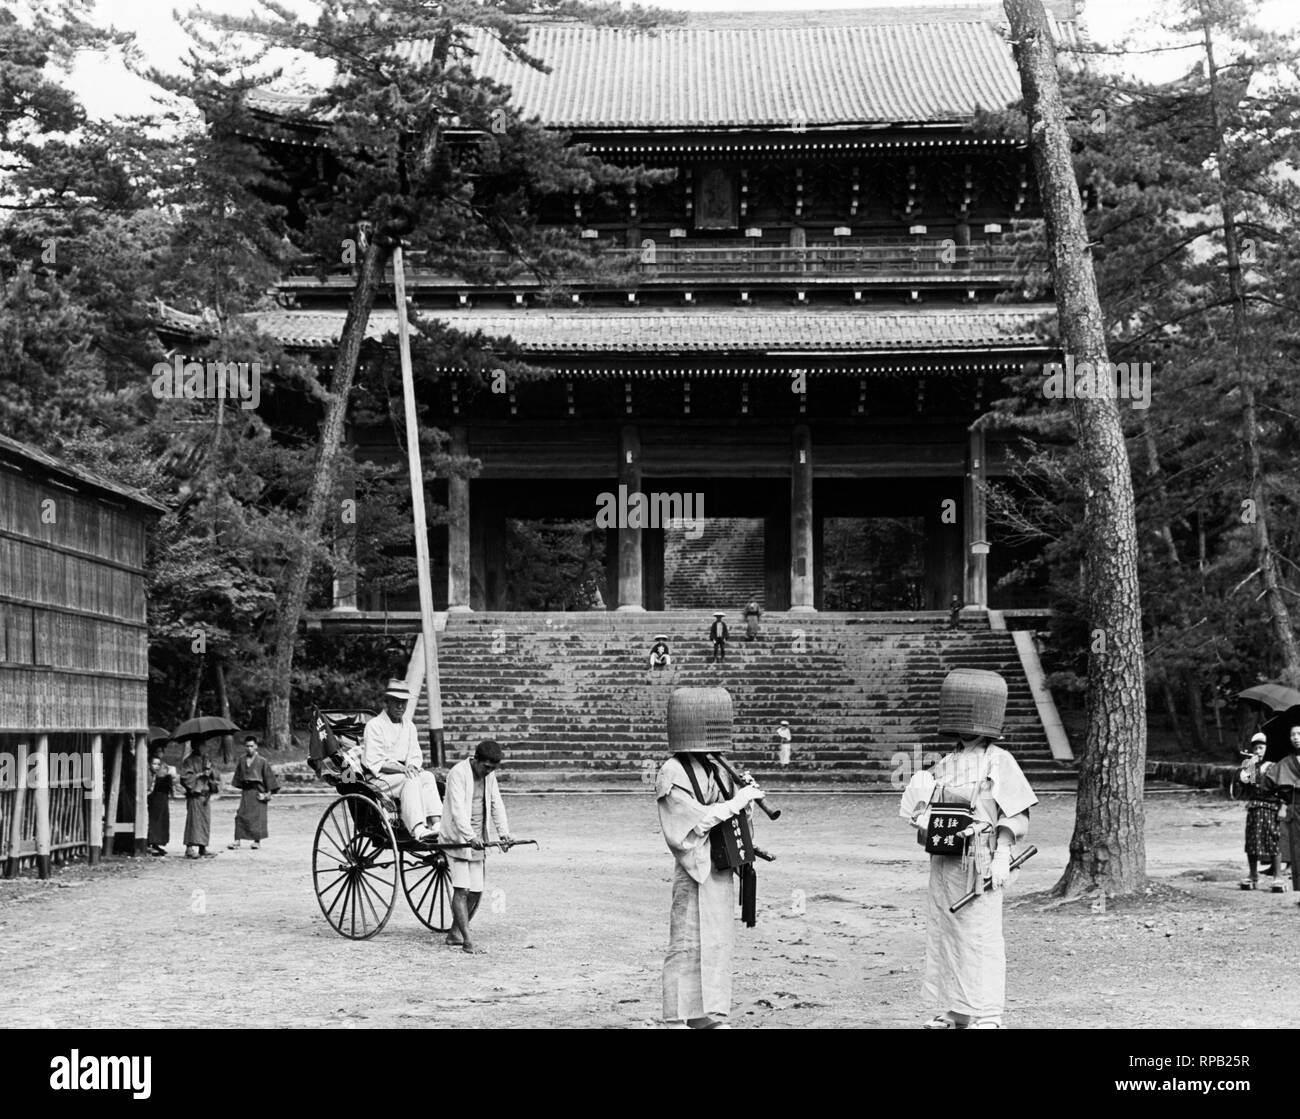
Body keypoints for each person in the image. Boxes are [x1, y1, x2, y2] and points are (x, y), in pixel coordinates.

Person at [899, 668, 1037, 1029]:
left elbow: (1016, 812)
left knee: (980, 935)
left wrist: (1004, 854)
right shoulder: (946, 763)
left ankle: (988, 1012)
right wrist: (921, 820)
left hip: (982, 857)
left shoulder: (999, 760)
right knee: (946, 930)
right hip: (946, 861)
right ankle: (954, 1009)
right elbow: (927, 808)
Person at [656, 686, 765, 1029]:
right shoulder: (671, 771)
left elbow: (733, 819)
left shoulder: (715, 768)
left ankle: (706, 1014)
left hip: (719, 868)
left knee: (716, 942)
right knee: (686, 944)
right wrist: (735, 802)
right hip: (694, 870)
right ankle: (676, 1018)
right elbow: (691, 825)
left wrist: (745, 798)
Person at [439, 739, 513, 953]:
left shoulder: (489, 777)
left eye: (493, 768)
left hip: (478, 839)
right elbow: (457, 811)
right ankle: (468, 939)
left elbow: (496, 803)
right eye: (486, 767)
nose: (489, 772)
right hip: (457, 838)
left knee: (477, 891)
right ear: (476, 759)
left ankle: (455, 933)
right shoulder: (458, 773)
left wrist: (504, 833)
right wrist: (469, 835)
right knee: (461, 889)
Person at [362, 679, 443, 843]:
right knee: (410, 779)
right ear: (387, 702)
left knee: (426, 776)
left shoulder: (409, 726)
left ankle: (436, 823)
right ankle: (418, 828)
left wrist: (412, 766)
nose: (400, 706)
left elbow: (415, 754)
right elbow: (374, 761)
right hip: (380, 779)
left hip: (402, 774)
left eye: (403, 702)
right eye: (396, 702)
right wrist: (401, 769)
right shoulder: (374, 725)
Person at [1238, 732, 1281, 890]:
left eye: (1261, 748)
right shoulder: (1251, 765)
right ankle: (1253, 874)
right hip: (1255, 807)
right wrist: (1248, 767)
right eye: (1255, 748)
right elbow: (1246, 783)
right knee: (1252, 841)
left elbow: (1277, 787)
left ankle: (1277, 876)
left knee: (1273, 840)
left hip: (1271, 807)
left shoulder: (1274, 766)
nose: (1258, 751)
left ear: (1267, 749)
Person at [1265, 722, 1300, 903]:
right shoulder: (1285, 762)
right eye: (1293, 734)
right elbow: (1268, 785)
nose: (1296, 738)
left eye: (1299, 734)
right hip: (1294, 807)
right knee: (1297, 848)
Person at [228, 736, 279, 850]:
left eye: (251, 746)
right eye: (247, 746)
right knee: (240, 815)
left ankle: (257, 841)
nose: (249, 748)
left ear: (256, 746)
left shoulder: (262, 761)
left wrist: (267, 794)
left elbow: (269, 779)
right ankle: (237, 840)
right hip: (246, 792)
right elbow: (238, 777)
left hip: (258, 792)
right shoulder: (242, 760)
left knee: (257, 818)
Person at [180, 740, 220, 859]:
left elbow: (216, 776)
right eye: (201, 745)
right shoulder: (188, 761)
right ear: (195, 746)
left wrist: (210, 772)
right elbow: (185, 778)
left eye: (204, 745)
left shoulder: (207, 759)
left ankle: (203, 847)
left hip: (205, 795)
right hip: (195, 795)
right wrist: (200, 775)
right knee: (193, 821)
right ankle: (189, 848)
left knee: (205, 822)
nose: (204, 748)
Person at [146, 753, 178, 857]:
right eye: (154, 764)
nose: (156, 766)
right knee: (153, 821)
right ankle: (149, 843)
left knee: (161, 821)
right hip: (153, 799)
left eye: (158, 764)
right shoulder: (149, 774)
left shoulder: (164, 770)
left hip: (162, 798)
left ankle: (156, 843)